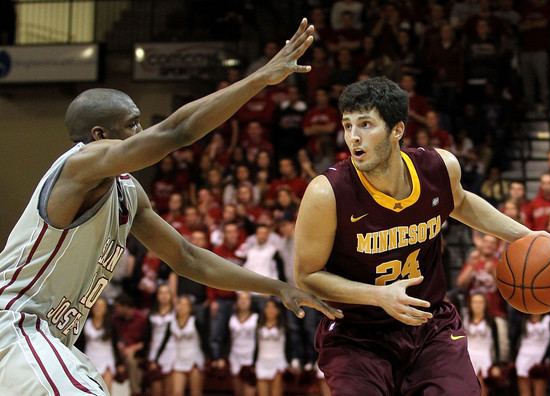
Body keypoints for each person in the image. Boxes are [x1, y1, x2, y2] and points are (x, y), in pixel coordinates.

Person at [0, 19, 341, 395]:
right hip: (16, 325)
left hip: (48, 339)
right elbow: (175, 133)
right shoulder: (79, 165)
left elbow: (187, 258)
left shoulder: (127, 192)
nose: (141, 130)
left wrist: (276, 288)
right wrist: (259, 78)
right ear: (100, 137)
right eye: (132, 125)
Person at [294, 77, 550, 395]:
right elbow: (306, 276)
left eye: (365, 125)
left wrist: (524, 235)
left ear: (397, 130)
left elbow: (460, 202)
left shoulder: (439, 168)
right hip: (357, 335)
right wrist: (378, 296)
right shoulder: (327, 193)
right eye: (348, 125)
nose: (353, 137)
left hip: (428, 324)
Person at [255, 298, 287, 396]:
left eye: (273, 307)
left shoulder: (284, 327)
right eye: (267, 307)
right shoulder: (258, 326)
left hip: (278, 363)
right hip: (262, 362)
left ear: (278, 310)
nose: (270, 310)